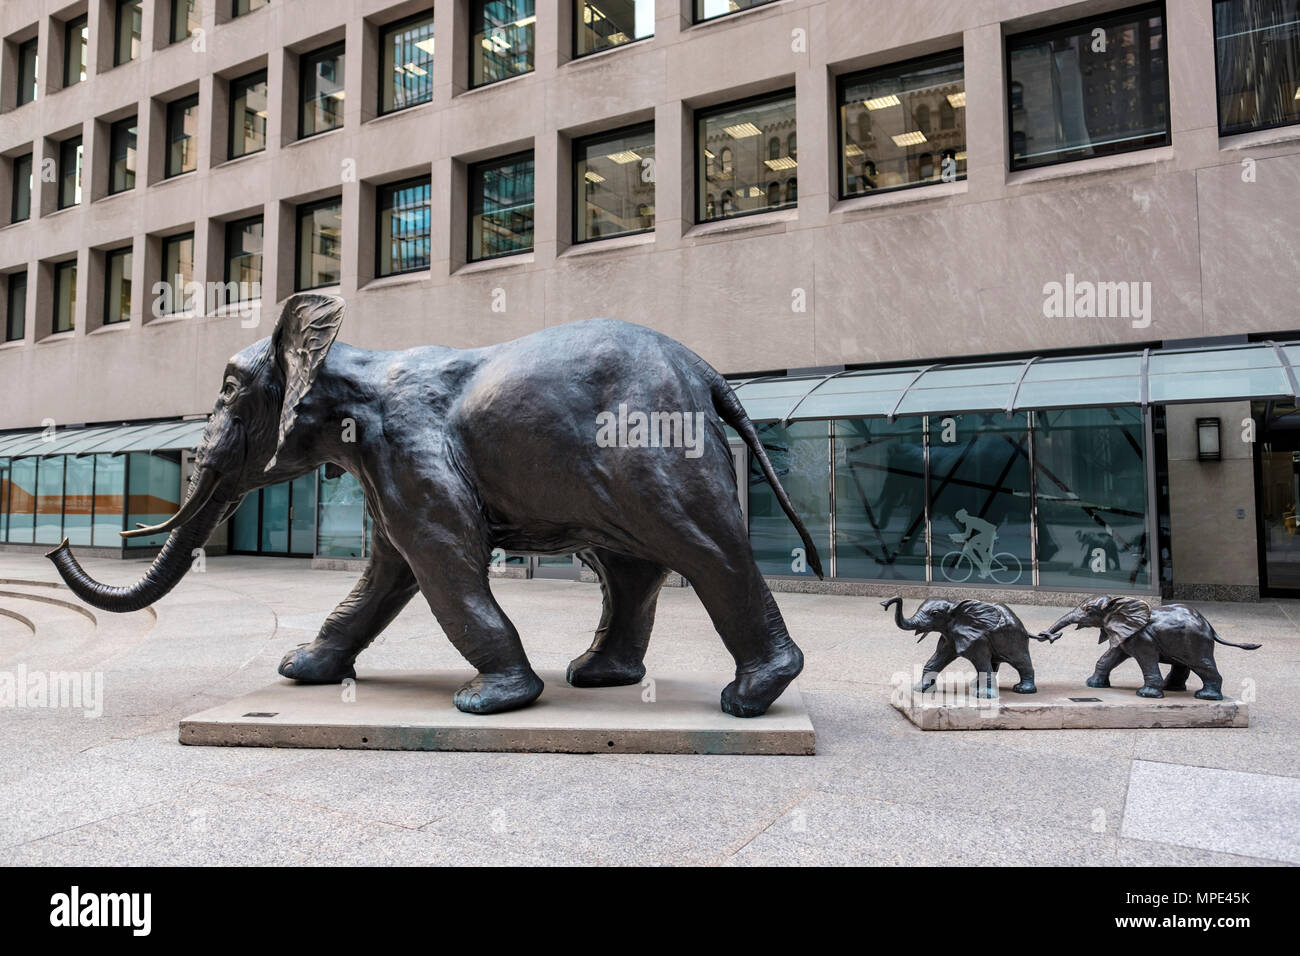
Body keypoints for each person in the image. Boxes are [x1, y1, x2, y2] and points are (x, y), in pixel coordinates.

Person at [953, 508, 997, 579]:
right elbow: (967, 535)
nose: (959, 520)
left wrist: (956, 536)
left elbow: (967, 535)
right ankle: (984, 565)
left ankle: (984, 568)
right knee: (972, 543)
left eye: (959, 518)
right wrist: (958, 537)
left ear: (962, 516)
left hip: (989, 533)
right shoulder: (970, 520)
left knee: (978, 548)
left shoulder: (969, 521)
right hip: (988, 532)